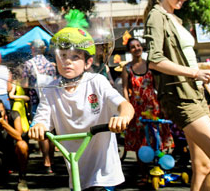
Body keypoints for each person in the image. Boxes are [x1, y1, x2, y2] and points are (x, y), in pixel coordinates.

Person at [143, 0, 210, 191]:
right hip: (181, 98)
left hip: (194, 94)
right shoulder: (156, 16)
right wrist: (195, 73)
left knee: (202, 166)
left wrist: (200, 67)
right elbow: (154, 61)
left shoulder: (175, 19)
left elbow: (180, 59)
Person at [29, 24, 135, 191]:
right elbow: (42, 119)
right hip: (77, 174)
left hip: (104, 174)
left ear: (88, 62)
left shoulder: (96, 82)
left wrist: (122, 117)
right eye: (62, 55)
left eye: (75, 56)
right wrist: (38, 127)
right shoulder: (50, 90)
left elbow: (124, 105)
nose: (68, 61)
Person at [121, 37, 173, 185]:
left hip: (153, 107)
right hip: (136, 109)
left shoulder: (150, 65)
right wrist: (127, 106)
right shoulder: (127, 68)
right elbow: (125, 88)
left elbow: (157, 86)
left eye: (138, 45)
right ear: (129, 51)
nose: (136, 48)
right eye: (133, 47)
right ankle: (143, 174)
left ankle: (160, 171)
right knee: (140, 142)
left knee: (157, 140)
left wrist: (163, 105)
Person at [20, 39, 55, 173]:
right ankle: (51, 159)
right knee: (51, 131)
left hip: (36, 101)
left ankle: (46, 162)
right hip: (51, 100)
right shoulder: (50, 64)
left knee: (41, 131)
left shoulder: (29, 64)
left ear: (33, 49)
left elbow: (24, 84)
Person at [0, 98, 30, 191]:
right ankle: (1, 175)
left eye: (1, 111)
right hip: (1, 154)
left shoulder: (13, 114)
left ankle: (22, 179)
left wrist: (3, 123)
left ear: (5, 109)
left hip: (15, 152)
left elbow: (19, 136)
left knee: (22, 145)